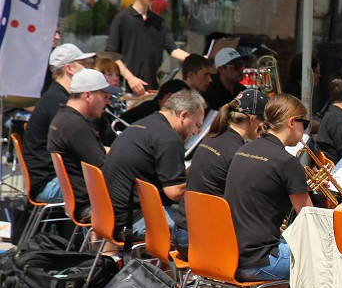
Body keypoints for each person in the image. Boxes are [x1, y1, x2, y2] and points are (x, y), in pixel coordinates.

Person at [173, 88, 268, 288]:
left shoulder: (212, 140)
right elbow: (248, 207)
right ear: (253, 120)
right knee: (268, 251)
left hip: (184, 234)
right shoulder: (238, 153)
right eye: (264, 121)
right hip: (202, 244)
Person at [224, 94, 313, 288]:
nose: (305, 130)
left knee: (287, 246)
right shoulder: (287, 162)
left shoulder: (243, 150)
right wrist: (340, 213)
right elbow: (312, 219)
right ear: (292, 122)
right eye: (305, 123)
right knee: (326, 264)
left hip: (228, 255)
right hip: (257, 260)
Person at [104, 90, 206, 237]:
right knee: (207, 224)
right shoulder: (169, 138)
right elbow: (175, 192)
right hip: (132, 220)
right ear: (183, 115)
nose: (197, 132)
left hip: (109, 214)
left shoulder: (143, 124)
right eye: (197, 124)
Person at [22, 43, 94, 203]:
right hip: (49, 183)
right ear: (69, 68)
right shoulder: (59, 103)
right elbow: (83, 148)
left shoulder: (55, 96)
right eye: (83, 64)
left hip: (45, 179)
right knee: (111, 188)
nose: (89, 68)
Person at [46, 69, 120, 223]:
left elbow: (96, 153)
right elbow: (104, 169)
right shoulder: (77, 127)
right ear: (88, 96)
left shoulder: (62, 118)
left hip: (81, 200)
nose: (108, 101)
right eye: (105, 96)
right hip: (90, 204)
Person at [106, 0, 189, 94]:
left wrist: (196, 59)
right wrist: (131, 78)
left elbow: (173, 49)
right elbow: (111, 54)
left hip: (152, 90)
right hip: (127, 90)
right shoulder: (122, 19)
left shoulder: (160, 23)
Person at [202, 48, 246, 112]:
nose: (242, 69)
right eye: (236, 66)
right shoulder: (210, 96)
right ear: (221, 70)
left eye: (242, 64)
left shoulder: (242, 90)